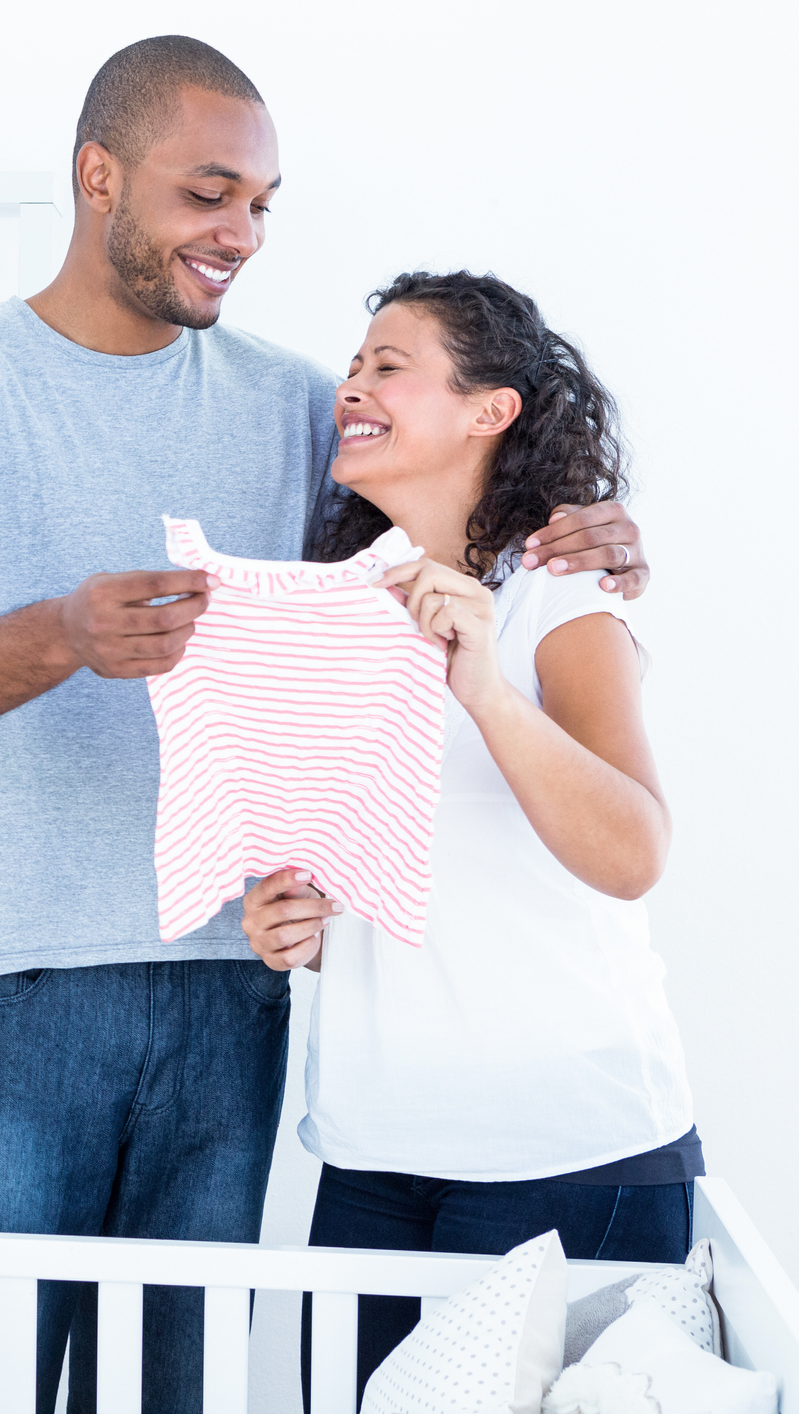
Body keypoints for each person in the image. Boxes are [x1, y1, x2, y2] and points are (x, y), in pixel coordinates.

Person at [0, 35, 649, 1414]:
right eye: (209, 195)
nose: (240, 235)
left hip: (235, 981)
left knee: (177, 1390)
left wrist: (589, 523)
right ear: (97, 177)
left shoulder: (293, 405)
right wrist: (62, 634)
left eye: (262, 205)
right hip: (15, 984)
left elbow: (459, 496)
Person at [243, 271, 697, 1397]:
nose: (351, 384)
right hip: (370, 1161)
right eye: (353, 366)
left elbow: (634, 849)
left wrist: (486, 689)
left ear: (491, 409)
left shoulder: (561, 596)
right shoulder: (341, 608)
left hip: (569, 1159)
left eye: (387, 365)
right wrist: (283, 917)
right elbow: (366, 862)